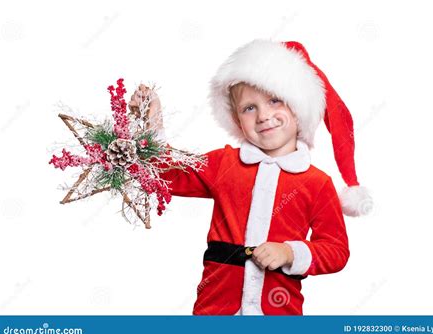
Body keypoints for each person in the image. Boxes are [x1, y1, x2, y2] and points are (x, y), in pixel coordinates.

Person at [129, 39, 372, 315]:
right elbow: (167, 176)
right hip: (215, 310)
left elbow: (336, 250)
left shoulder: (316, 183)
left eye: (274, 100)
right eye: (249, 107)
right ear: (236, 118)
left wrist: (291, 253)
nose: (263, 115)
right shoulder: (224, 163)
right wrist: (152, 123)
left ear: (298, 107)